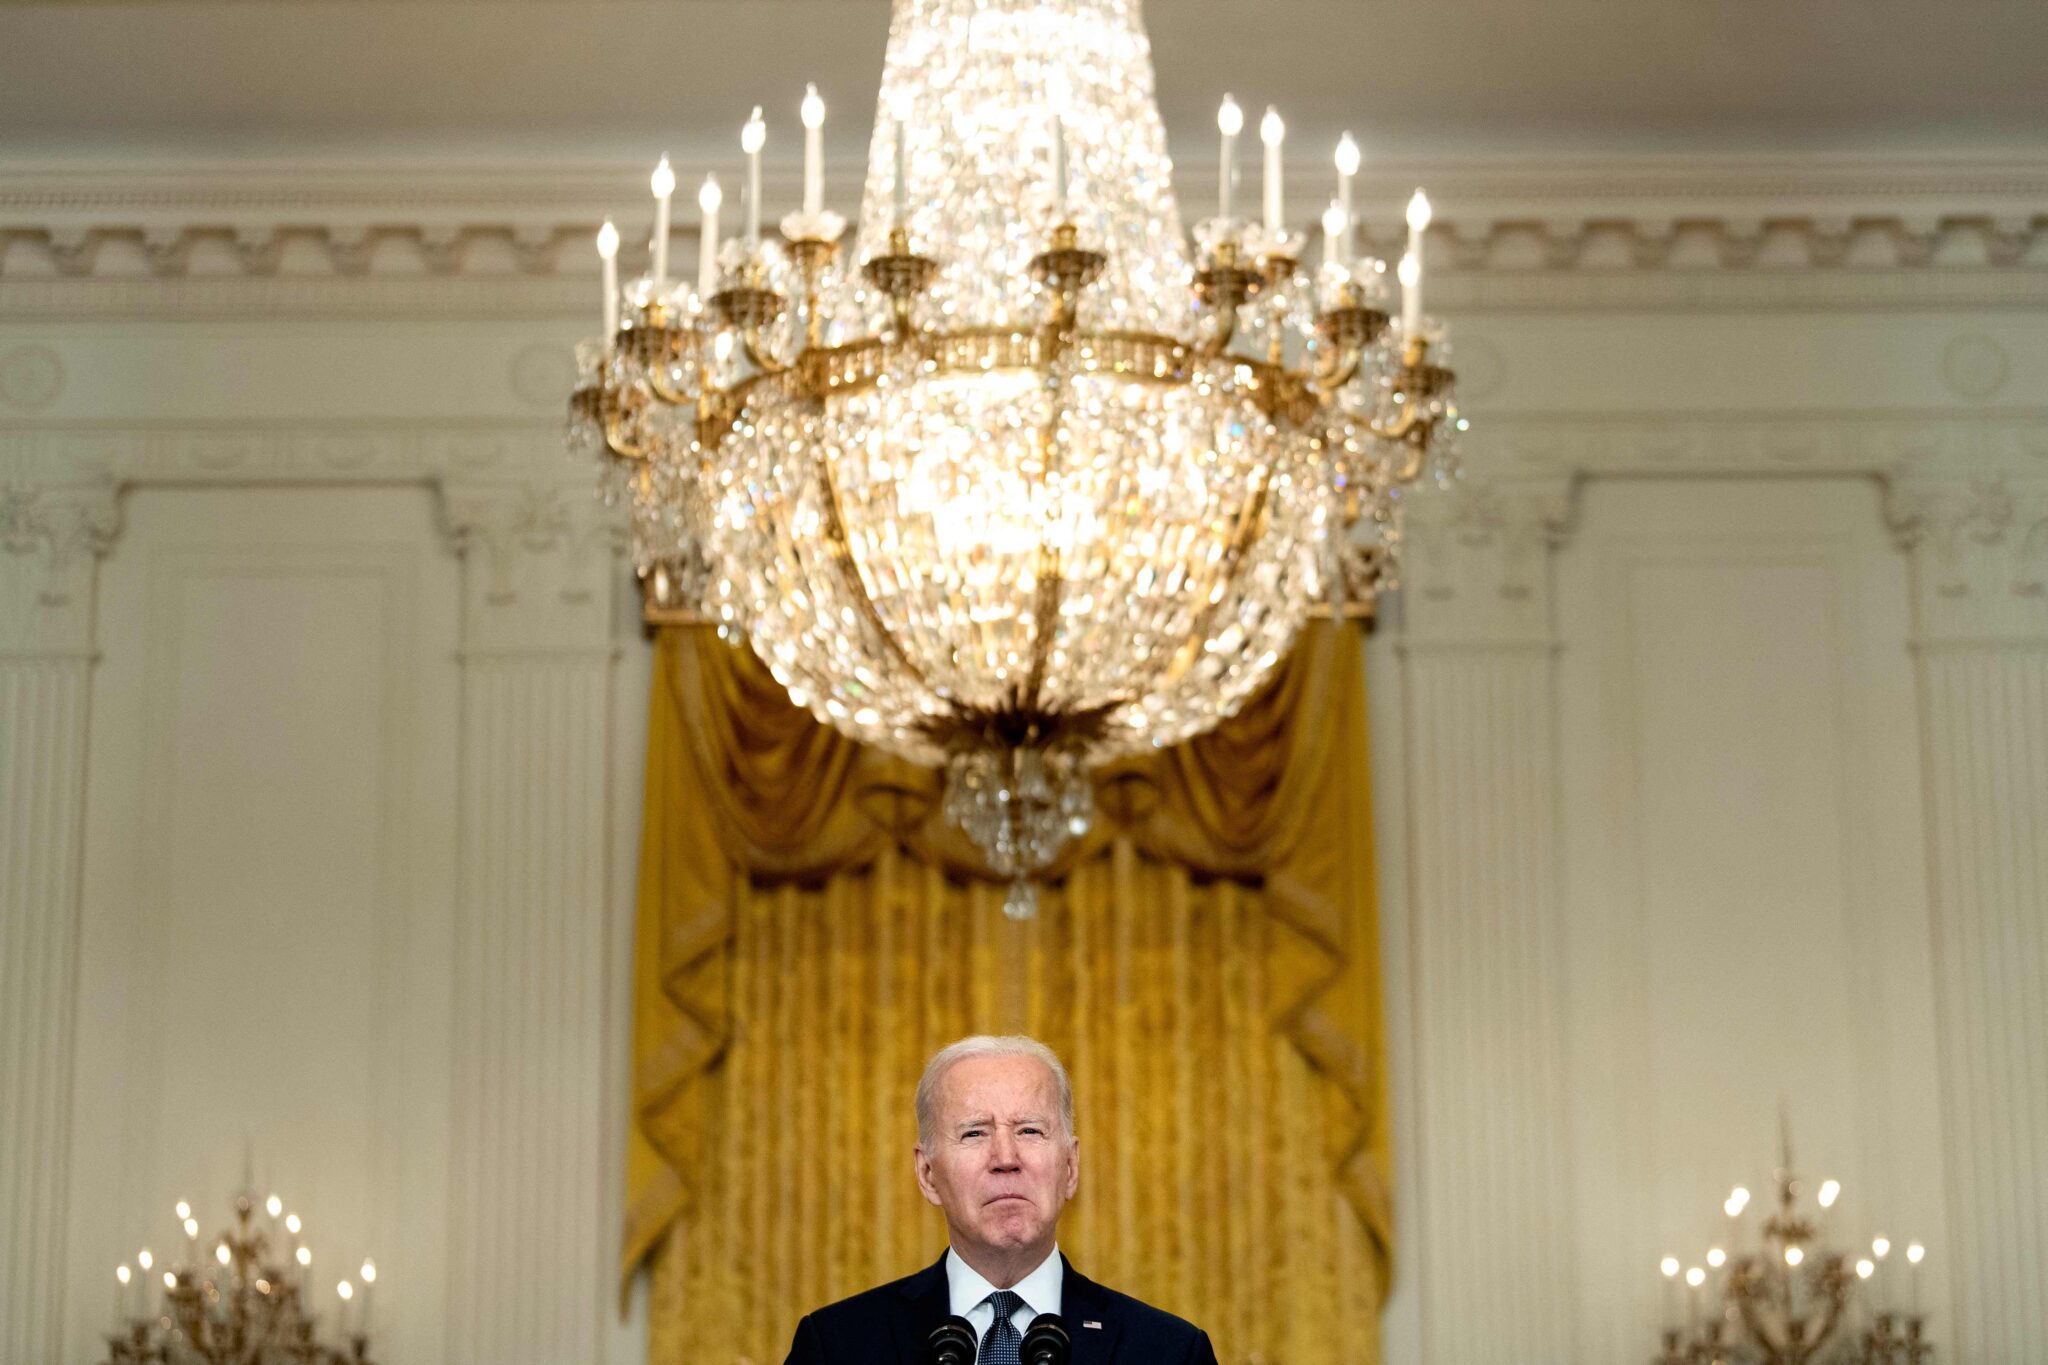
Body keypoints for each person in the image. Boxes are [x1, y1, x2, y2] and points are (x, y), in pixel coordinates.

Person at [783, 1035, 1219, 1364]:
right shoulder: (837, 1345)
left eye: (1030, 1130)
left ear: (1069, 1167)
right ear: (927, 1173)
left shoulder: (1170, 1351)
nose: (1006, 1158)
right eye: (975, 1133)